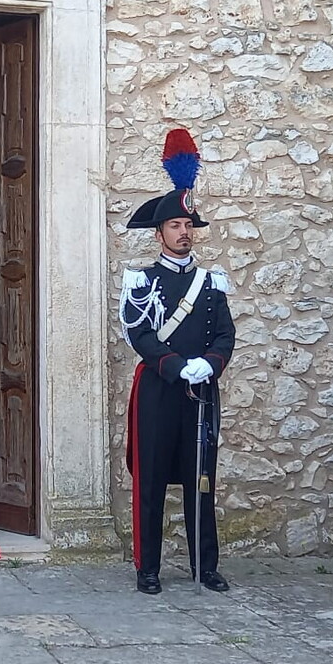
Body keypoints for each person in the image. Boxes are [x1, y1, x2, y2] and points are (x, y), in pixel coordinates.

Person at [121, 128, 235, 596]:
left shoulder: (212, 282)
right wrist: (174, 365)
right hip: (158, 389)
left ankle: (204, 565)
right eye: (175, 225)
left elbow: (225, 334)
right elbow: (139, 334)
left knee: (201, 479)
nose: (184, 232)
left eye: (188, 225)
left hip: (201, 391)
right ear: (159, 233)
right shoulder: (141, 280)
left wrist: (210, 364)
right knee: (151, 479)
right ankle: (148, 567)